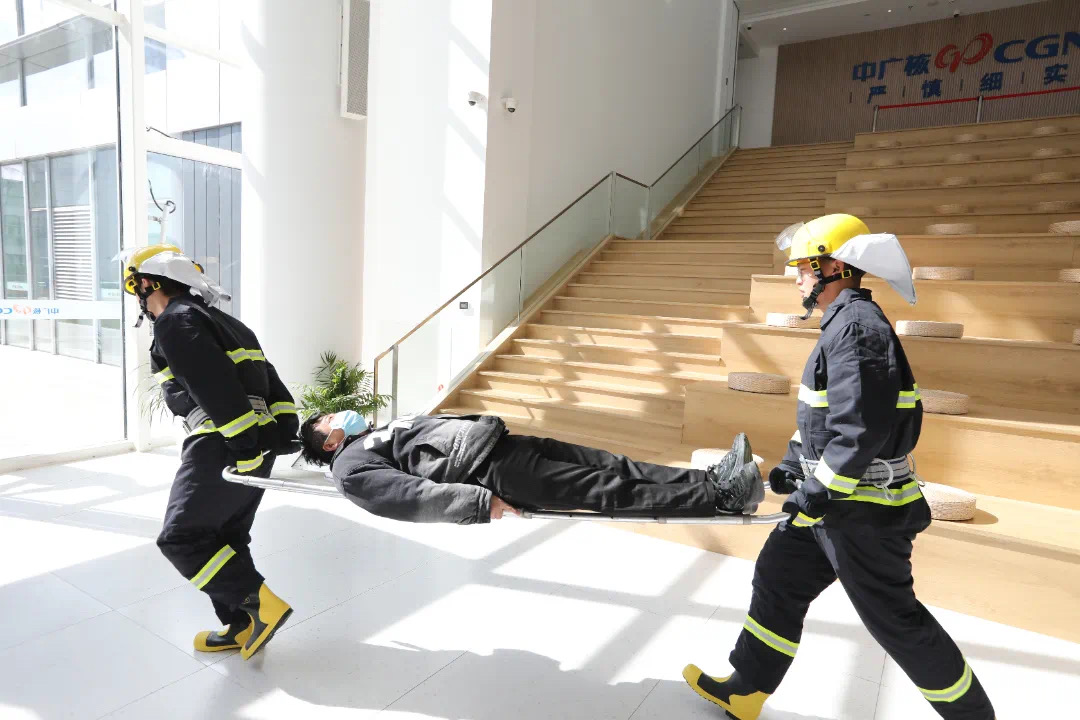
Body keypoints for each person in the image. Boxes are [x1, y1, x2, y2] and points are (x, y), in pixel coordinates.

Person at [682, 214, 995, 719]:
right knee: (779, 575)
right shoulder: (842, 324)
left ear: (837, 268)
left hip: (863, 513)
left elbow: (861, 430)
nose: (796, 277)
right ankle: (747, 688)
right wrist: (793, 466)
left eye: (804, 267)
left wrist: (819, 490)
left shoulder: (858, 329)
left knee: (895, 620)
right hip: (833, 507)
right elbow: (822, 419)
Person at [123, 244, 299, 660]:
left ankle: (260, 605)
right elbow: (273, 386)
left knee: (182, 538)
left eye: (138, 290)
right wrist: (276, 440)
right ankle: (242, 624)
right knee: (225, 537)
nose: (140, 301)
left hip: (223, 444)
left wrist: (243, 446)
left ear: (148, 283)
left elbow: (213, 386)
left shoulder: (175, 320)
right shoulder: (231, 324)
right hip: (253, 443)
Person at [298, 411, 765, 522]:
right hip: (492, 473)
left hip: (501, 442)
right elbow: (407, 498)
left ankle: (709, 479)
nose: (340, 415)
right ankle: (720, 498)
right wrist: (478, 504)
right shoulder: (349, 467)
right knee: (607, 488)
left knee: (612, 464)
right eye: (329, 419)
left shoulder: (377, 430)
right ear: (329, 440)